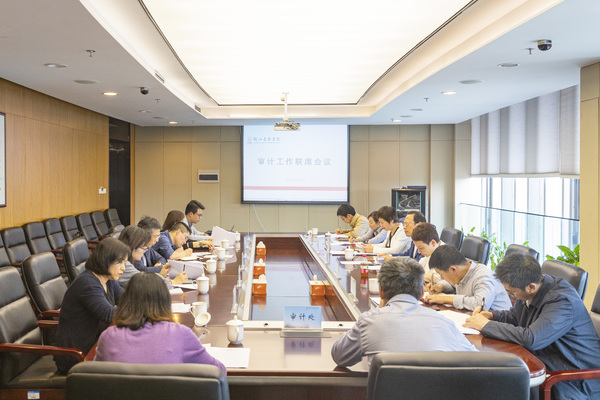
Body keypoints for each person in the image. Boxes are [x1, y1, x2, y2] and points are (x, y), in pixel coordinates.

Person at [464, 254, 600, 400]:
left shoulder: (562, 301)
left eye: (512, 292)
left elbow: (532, 339)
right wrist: (492, 316)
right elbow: (515, 317)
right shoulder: (531, 288)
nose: (510, 296)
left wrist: (486, 326)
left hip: (574, 379)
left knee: (502, 380)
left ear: (531, 287)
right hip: (547, 359)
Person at [331, 257, 476, 367]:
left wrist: (380, 311)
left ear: (381, 291)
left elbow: (339, 356)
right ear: (422, 292)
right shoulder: (445, 323)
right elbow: (476, 361)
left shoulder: (369, 321)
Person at [94, 273, 226, 372]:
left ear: (126, 301)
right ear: (165, 302)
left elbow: (96, 379)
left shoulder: (108, 336)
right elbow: (218, 371)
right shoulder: (180, 334)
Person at [54, 238, 129, 374]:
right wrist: (139, 309)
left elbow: (127, 299)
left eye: (125, 262)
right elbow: (108, 314)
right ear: (105, 260)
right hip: (77, 354)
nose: (123, 267)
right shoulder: (87, 283)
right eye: (119, 262)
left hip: (95, 344)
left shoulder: (109, 279)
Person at [424, 245, 511, 311]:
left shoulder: (483, 276)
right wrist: (441, 287)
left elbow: (480, 305)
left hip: (498, 324)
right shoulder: (462, 271)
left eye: (441, 274)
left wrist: (444, 299)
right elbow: (454, 284)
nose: (442, 278)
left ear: (453, 269)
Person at [118, 225, 187, 288]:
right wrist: (172, 282)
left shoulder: (127, 259)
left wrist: (160, 274)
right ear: (134, 245)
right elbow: (143, 280)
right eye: (143, 247)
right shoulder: (123, 264)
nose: (144, 251)